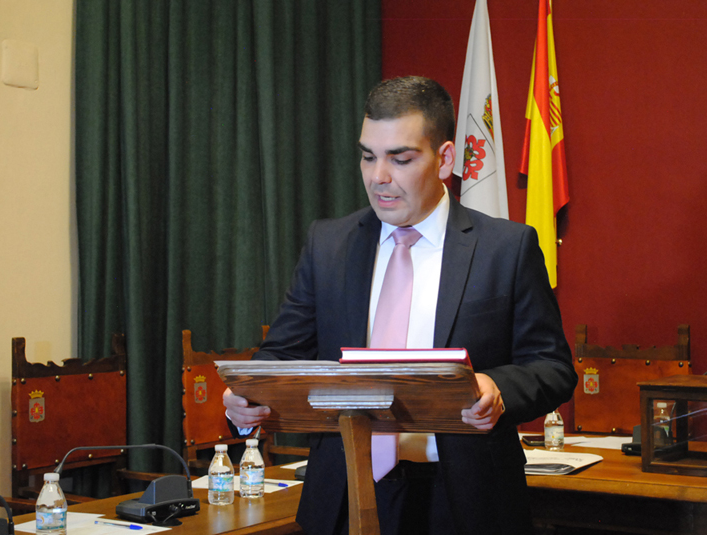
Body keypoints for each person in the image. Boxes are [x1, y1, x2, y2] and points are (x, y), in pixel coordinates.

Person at [223, 76, 578, 535]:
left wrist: (497, 385)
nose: (378, 177)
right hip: (346, 495)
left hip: (466, 501)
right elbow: (281, 354)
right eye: (368, 156)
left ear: (445, 159)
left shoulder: (506, 249)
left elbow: (552, 367)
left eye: (400, 158)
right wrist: (246, 395)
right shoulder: (328, 245)